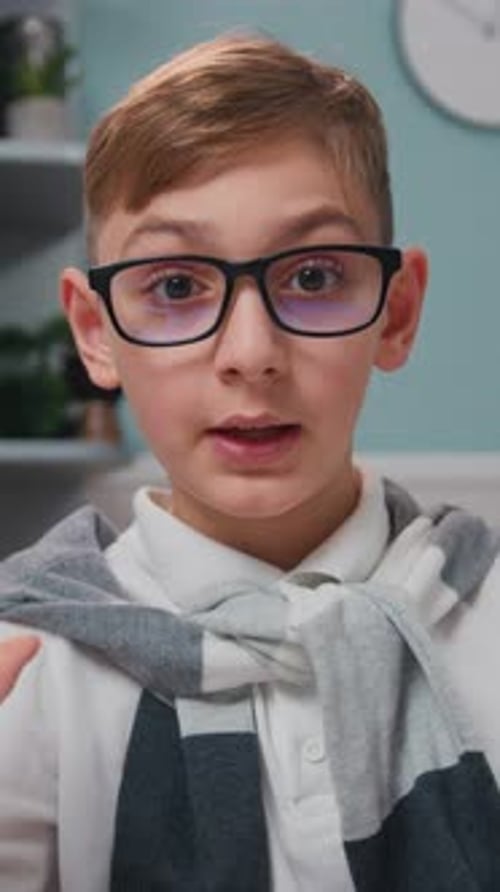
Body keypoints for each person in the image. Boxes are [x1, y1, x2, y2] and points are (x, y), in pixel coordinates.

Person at [0, 30, 499, 892]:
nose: (251, 353)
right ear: (95, 332)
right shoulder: (29, 669)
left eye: (312, 277)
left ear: (397, 311)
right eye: (174, 286)